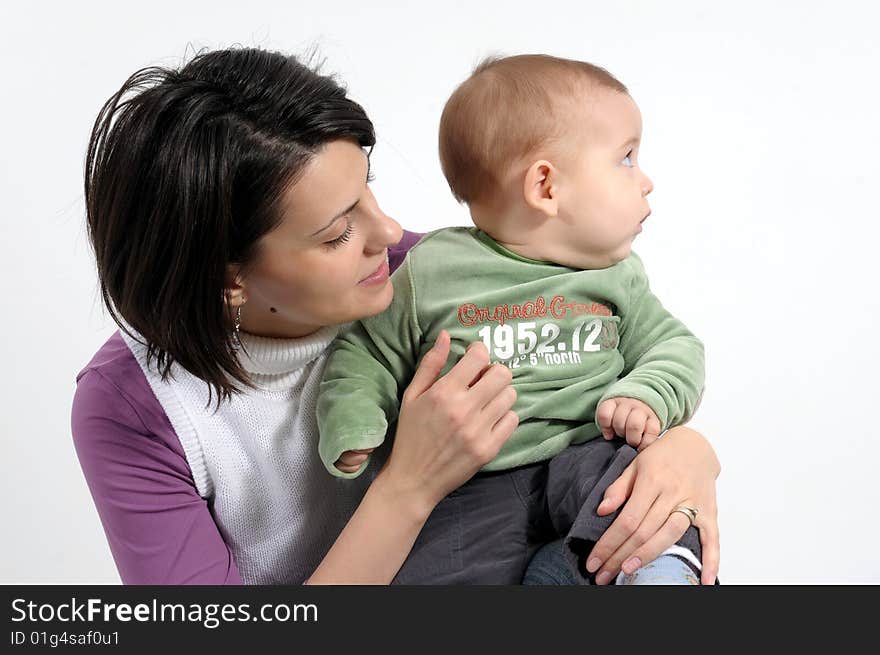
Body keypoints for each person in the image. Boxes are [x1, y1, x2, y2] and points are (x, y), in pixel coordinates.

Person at [71, 47, 720, 585]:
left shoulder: (428, 273)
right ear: (229, 279)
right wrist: (409, 486)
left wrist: (684, 450)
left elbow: (598, 353)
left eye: (368, 188)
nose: (387, 230)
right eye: (334, 234)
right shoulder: (135, 410)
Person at [319, 54, 708, 584]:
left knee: (641, 502)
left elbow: (674, 346)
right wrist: (356, 419)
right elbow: (368, 351)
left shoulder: (619, 274)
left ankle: (663, 575)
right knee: (435, 571)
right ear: (545, 186)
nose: (646, 181)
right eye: (626, 158)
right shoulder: (433, 270)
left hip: (589, 448)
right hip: (472, 481)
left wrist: (647, 395)